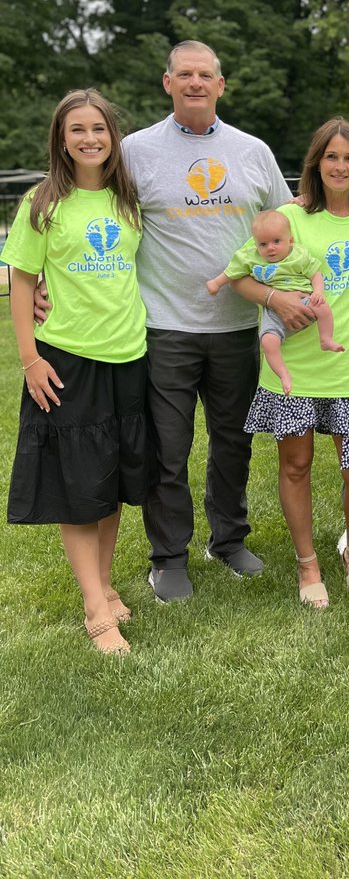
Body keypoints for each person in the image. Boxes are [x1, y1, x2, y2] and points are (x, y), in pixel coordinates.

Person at [123, 41, 301, 601]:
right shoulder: (134, 151)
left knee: (232, 442)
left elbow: (289, 225)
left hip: (237, 327)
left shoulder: (252, 151)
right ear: (168, 82)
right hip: (166, 325)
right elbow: (97, 219)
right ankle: (168, 557)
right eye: (185, 74)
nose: (195, 82)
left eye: (206, 74)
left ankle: (228, 540)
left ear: (221, 85)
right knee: (168, 448)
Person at [3, 89, 156, 654]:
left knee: (110, 482)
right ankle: (95, 608)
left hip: (129, 356)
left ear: (112, 136)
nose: (90, 138)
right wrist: (30, 358)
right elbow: (22, 282)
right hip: (67, 359)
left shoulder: (127, 199)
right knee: (78, 486)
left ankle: (106, 584)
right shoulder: (42, 203)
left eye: (98, 128)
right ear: (61, 140)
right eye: (77, 130)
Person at [239, 119, 349, 606]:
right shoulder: (289, 217)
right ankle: (307, 564)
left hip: (348, 366)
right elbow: (240, 274)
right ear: (316, 163)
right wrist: (276, 299)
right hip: (294, 368)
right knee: (296, 464)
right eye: (331, 157)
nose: (340, 166)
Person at [207, 209, 344, 394]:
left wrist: (318, 292)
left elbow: (315, 274)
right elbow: (232, 271)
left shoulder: (298, 255)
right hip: (273, 311)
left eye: (277, 241)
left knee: (323, 307)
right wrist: (216, 283)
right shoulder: (251, 258)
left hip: (304, 299)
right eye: (263, 244)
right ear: (256, 244)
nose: (270, 248)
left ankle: (326, 338)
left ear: (290, 240)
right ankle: (283, 374)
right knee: (268, 342)